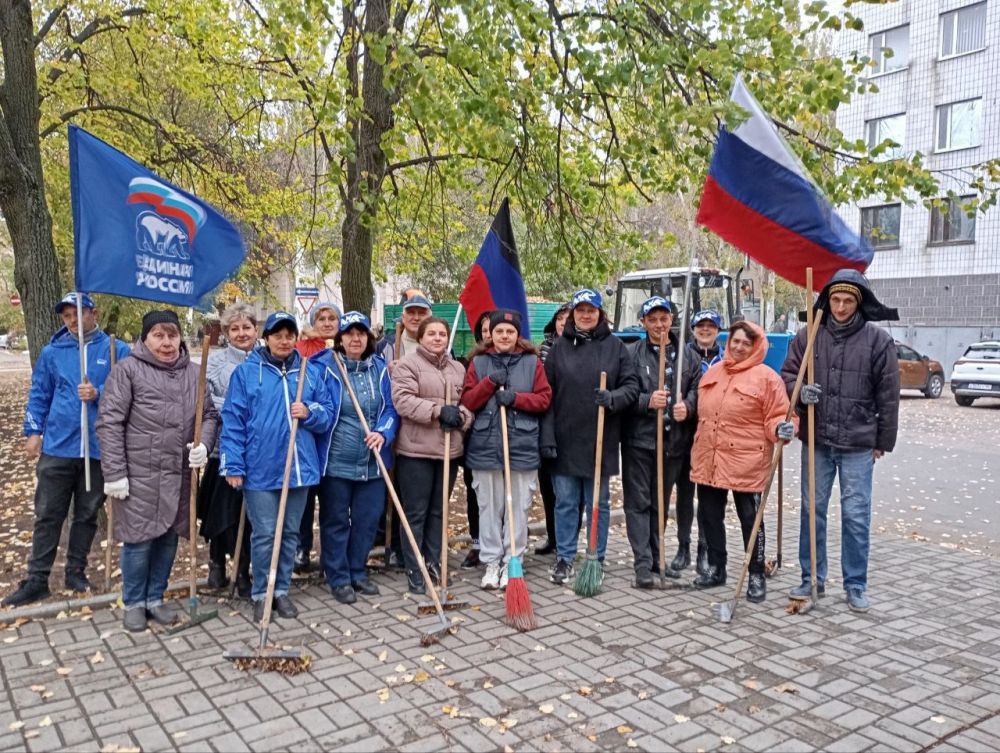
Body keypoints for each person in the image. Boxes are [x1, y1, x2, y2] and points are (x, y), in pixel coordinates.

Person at [782, 269, 899, 613]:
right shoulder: (809, 335)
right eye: (836, 299)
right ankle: (811, 577)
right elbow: (788, 375)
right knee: (811, 510)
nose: (842, 306)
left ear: (858, 303)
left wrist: (883, 441)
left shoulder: (878, 341)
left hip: (858, 442)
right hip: (816, 439)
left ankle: (855, 584)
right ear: (827, 300)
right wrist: (799, 392)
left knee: (856, 514)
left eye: (849, 300)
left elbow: (888, 396)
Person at [4, 293, 129, 608]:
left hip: (99, 447)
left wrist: (99, 393)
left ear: (93, 313)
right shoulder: (52, 352)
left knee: (87, 513)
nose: (73, 320)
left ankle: (76, 572)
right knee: (48, 514)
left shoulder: (117, 350)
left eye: (79, 313)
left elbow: (130, 393)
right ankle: (37, 579)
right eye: (67, 316)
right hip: (59, 445)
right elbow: (39, 393)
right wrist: (34, 431)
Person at [96, 310, 218, 632]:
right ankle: (134, 601)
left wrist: (203, 445)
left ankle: (155, 598)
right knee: (139, 540)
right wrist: (114, 473)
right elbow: (109, 423)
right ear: (145, 338)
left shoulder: (195, 373)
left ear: (180, 337)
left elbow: (209, 415)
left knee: (168, 537)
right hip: (138, 476)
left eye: (172, 335)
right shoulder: (128, 371)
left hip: (178, 474)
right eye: (159, 335)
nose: (166, 343)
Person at [219, 311, 335, 622]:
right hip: (260, 468)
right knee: (266, 533)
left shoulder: (308, 372)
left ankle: (281, 590)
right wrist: (232, 464)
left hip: (299, 468)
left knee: (289, 534)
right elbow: (233, 420)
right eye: (277, 334)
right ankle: (262, 592)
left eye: (289, 334)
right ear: (266, 337)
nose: (284, 340)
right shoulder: (246, 374)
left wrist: (309, 411)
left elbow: (327, 414)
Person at [689, 321, 793, 602]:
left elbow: (779, 416)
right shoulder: (713, 373)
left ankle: (756, 574)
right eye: (735, 341)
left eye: (745, 343)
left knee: (751, 519)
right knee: (710, 516)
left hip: (747, 462)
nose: (738, 347)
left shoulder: (767, 378)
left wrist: (781, 429)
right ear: (728, 342)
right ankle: (716, 567)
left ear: (755, 347)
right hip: (709, 456)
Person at [541, 289, 638, 585]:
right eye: (580, 310)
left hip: (600, 440)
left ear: (600, 314)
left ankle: (596, 556)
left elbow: (632, 387)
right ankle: (565, 557)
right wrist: (547, 437)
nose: (585, 315)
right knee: (566, 502)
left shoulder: (615, 347)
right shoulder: (558, 349)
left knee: (598, 503)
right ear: (573, 314)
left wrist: (613, 397)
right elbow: (546, 395)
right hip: (565, 439)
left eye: (591, 310)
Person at [461, 310, 552, 590]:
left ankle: (513, 559)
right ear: (491, 334)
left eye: (509, 332)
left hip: (521, 445)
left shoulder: (532, 362)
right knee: (489, 506)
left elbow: (544, 399)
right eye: (499, 331)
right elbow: (467, 400)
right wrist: (488, 383)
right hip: (486, 446)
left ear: (517, 335)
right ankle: (491, 560)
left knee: (518, 506)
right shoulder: (478, 363)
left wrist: (516, 398)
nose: (504, 336)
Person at [313, 312, 398, 604]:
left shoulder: (380, 368)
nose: (356, 338)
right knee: (336, 520)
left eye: (361, 333)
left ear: (369, 338)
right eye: (349, 333)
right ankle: (337, 576)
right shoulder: (324, 367)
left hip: (373, 462)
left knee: (367, 519)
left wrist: (382, 433)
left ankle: (357, 570)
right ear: (340, 337)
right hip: (336, 462)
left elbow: (390, 410)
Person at [622, 297, 701, 588]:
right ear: (643, 322)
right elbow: (622, 393)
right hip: (640, 442)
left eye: (663, 319)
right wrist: (646, 401)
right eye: (652, 319)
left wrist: (688, 406)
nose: (659, 325)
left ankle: (658, 558)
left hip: (673, 443)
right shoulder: (631, 354)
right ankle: (642, 564)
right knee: (639, 503)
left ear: (671, 320)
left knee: (660, 503)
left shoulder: (687, 355)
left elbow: (696, 388)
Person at [391, 316, 472, 594]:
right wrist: (438, 411)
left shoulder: (457, 368)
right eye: (432, 334)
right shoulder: (408, 365)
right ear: (422, 337)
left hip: (449, 451)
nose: (438, 338)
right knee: (416, 512)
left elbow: (469, 403)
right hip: (416, 451)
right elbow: (403, 401)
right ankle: (415, 568)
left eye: (442, 334)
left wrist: (461, 416)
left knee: (439, 511)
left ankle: (435, 561)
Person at [196, 303, 258, 596]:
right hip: (223, 449)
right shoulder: (215, 362)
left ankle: (243, 569)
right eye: (235, 328)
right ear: (226, 333)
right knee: (220, 513)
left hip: (257, 452)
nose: (241, 333)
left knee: (248, 518)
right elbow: (206, 404)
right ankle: (216, 563)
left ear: (255, 330)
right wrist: (235, 407)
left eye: (246, 327)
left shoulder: (264, 359)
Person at [294, 301, 342, 573]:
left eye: (331, 318)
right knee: (305, 496)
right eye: (321, 318)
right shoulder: (302, 350)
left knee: (332, 503)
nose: (326, 323)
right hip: (309, 434)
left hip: (336, 436)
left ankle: (330, 554)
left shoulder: (346, 347)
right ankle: (302, 548)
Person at [685, 308, 724, 574]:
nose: (705, 330)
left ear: (718, 331)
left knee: (709, 499)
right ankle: (684, 546)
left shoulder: (727, 360)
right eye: (701, 326)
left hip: (716, 437)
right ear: (693, 329)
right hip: (686, 431)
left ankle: (706, 547)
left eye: (711, 326)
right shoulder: (684, 357)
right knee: (688, 495)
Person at [457, 309, 494, 570]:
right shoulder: (472, 363)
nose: (488, 334)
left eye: (492, 329)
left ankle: (503, 543)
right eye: (483, 330)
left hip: (506, 439)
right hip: (476, 438)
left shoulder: (521, 360)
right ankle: (478, 542)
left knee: (502, 496)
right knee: (475, 492)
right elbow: (468, 400)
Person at [535, 303, 571, 555]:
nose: (563, 323)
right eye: (560, 318)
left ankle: (567, 539)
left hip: (571, 426)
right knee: (547, 486)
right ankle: (552, 537)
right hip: (545, 424)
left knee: (568, 490)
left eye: (569, 319)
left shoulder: (582, 347)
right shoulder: (543, 350)